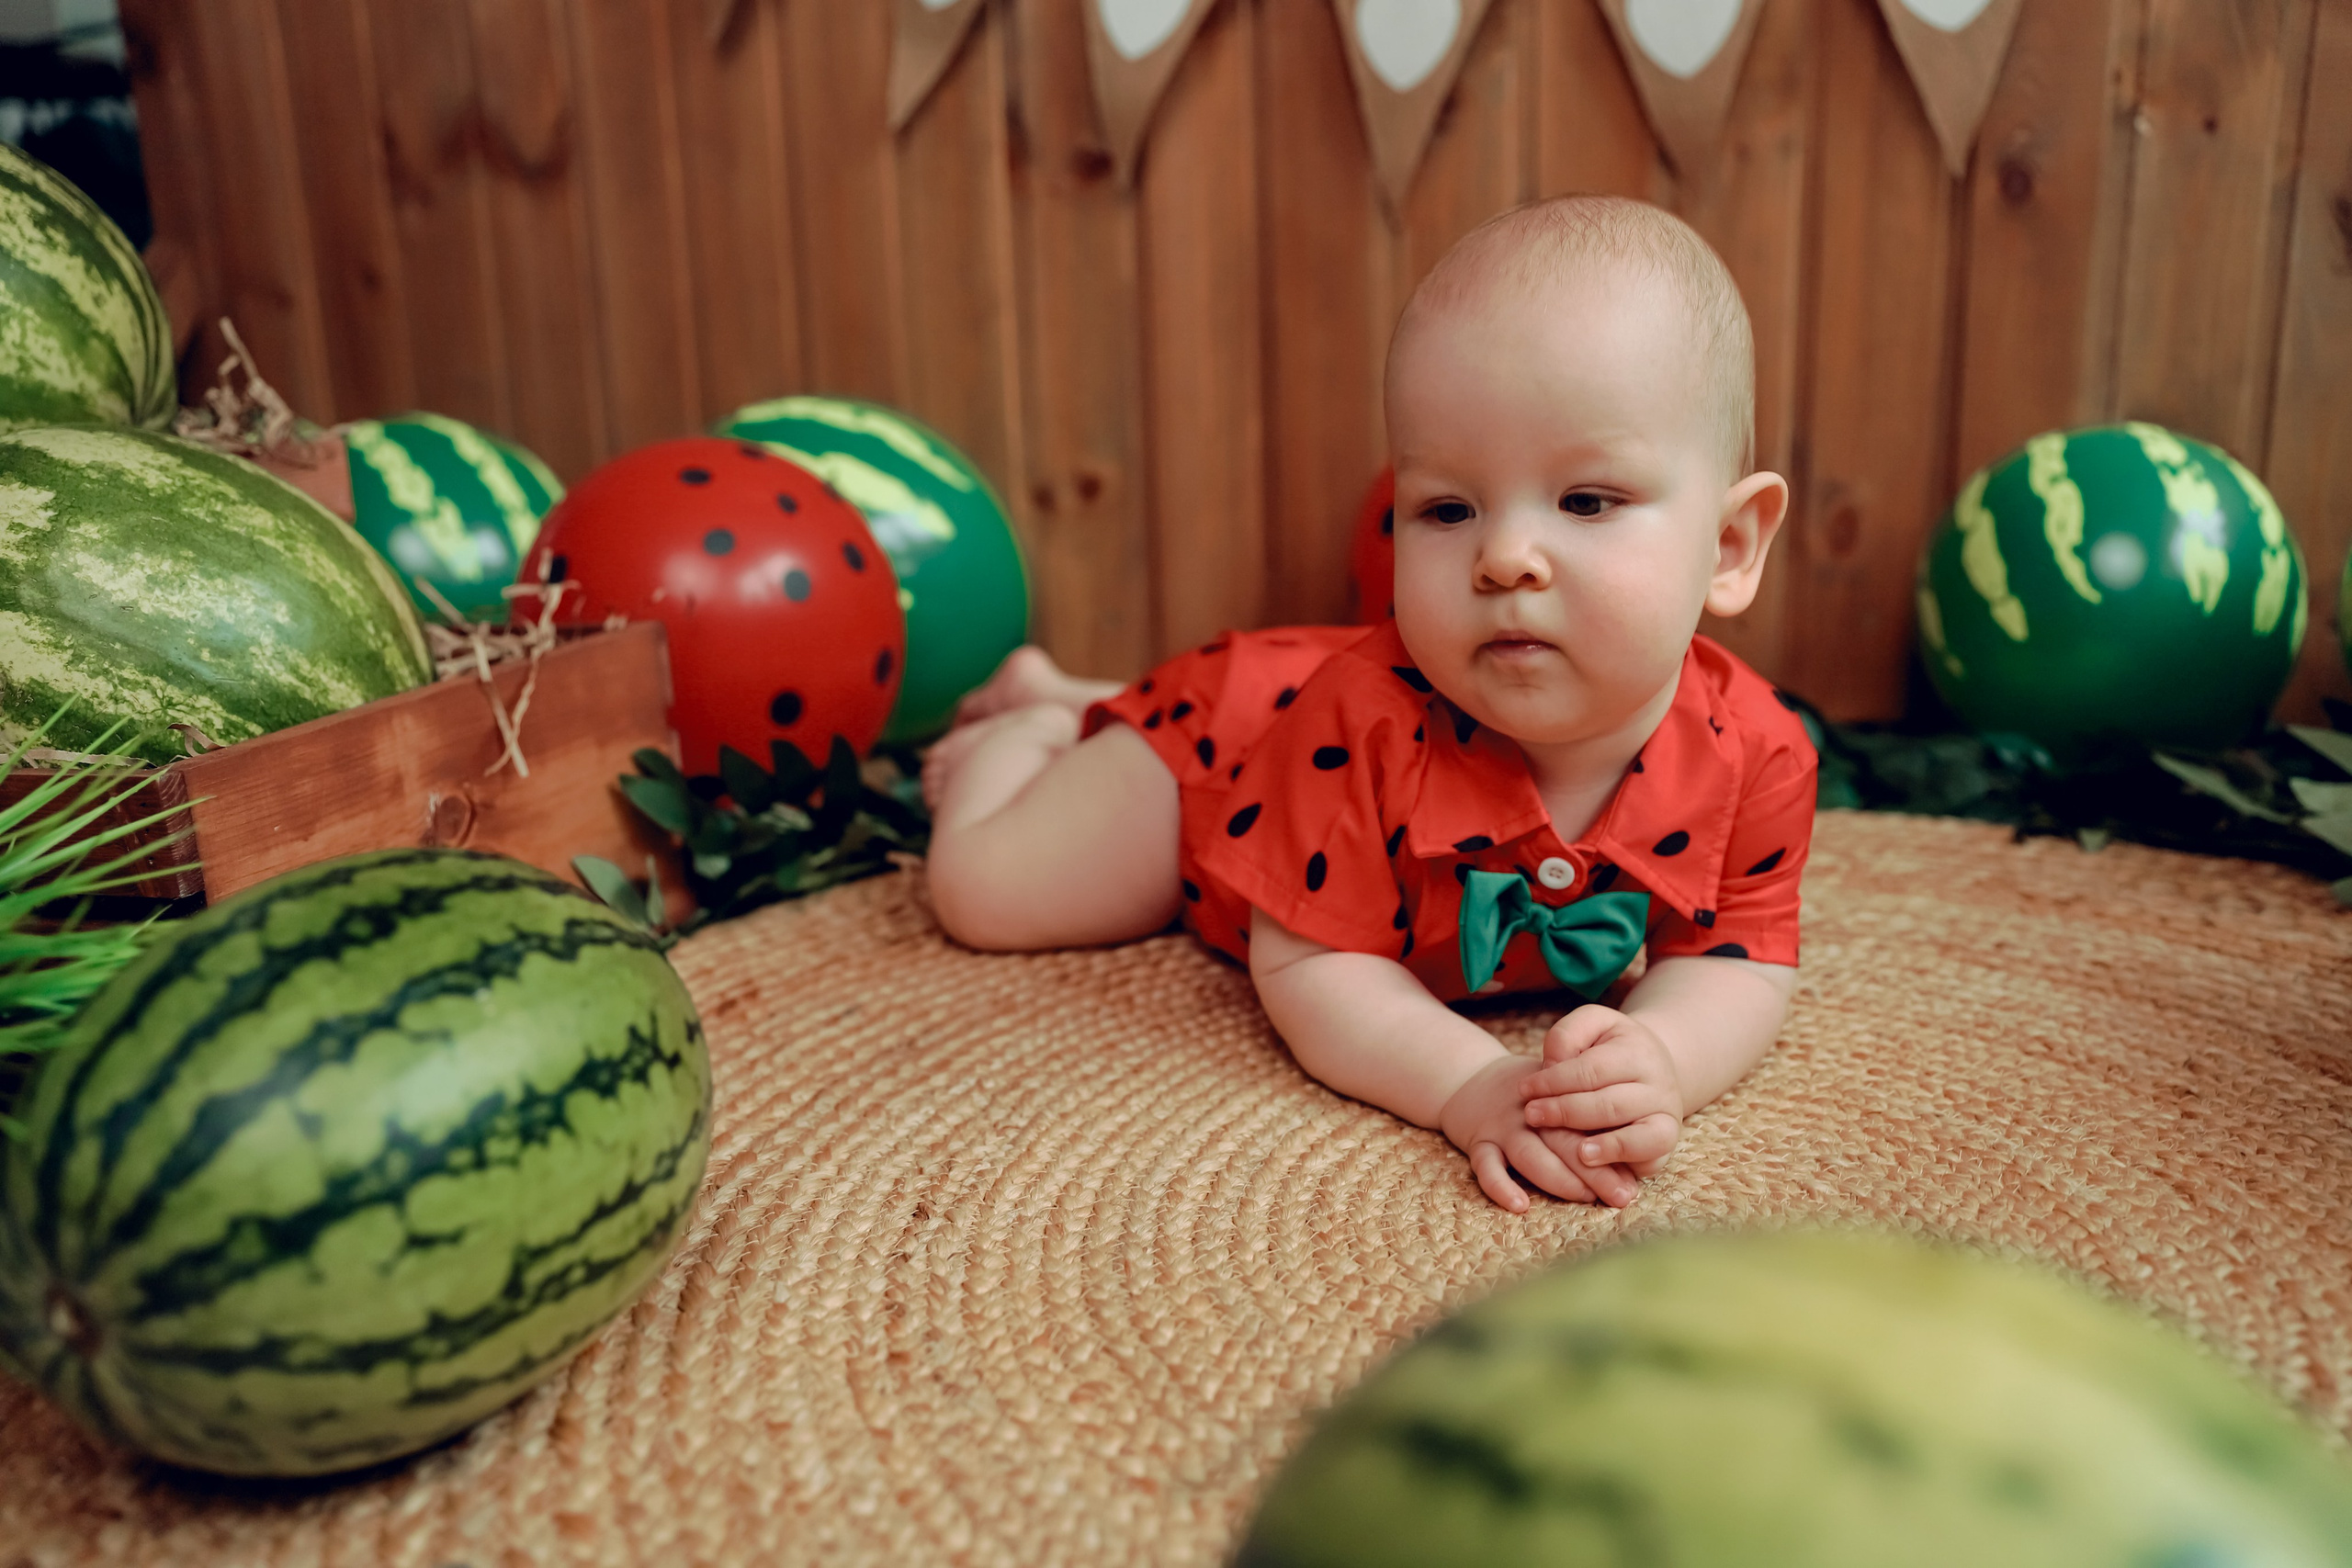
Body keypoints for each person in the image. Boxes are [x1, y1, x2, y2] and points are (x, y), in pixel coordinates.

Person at [921, 195, 1815, 1213]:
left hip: (1297, 700)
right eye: (1446, 508)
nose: (1505, 557)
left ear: (1730, 547)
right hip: (1218, 756)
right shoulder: (1361, 720)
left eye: (1584, 502)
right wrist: (1468, 1084)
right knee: (984, 894)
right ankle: (1040, 723)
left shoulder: (1760, 753)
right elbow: (1312, 966)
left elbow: (1739, 962)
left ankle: (1076, 697)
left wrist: (1660, 1054)